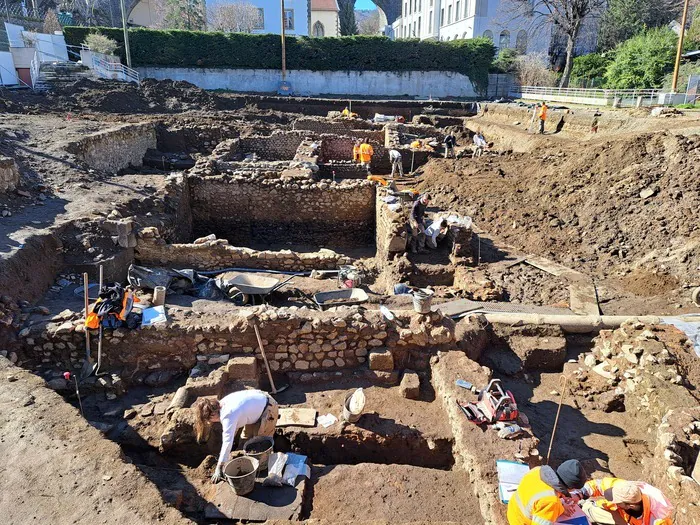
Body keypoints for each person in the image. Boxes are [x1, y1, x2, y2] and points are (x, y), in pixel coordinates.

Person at [192, 389, 279, 484]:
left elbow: (227, 443)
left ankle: (264, 470)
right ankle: (247, 460)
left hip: (268, 409)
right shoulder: (221, 404)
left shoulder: (228, 415)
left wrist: (219, 467)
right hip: (256, 406)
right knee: (245, 439)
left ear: (213, 414)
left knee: (260, 444)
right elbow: (232, 429)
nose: (210, 422)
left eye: (209, 420)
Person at [507, 459, 588, 525]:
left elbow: (537, 499)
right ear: (571, 487)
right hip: (521, 522)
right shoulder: (551, 501)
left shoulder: (538, 470)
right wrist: (557, 507)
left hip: (513, 510)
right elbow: (546, 503)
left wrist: (561, 507)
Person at [580, 478, 673, 525]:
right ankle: (585, 507)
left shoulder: (658, 518)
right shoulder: (625, 487)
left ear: (630, 505)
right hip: (619, 514)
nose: (614, 502)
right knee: (587, 509)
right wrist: (580, 493)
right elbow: (598, 484)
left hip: (634, 521)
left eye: (617, 501)